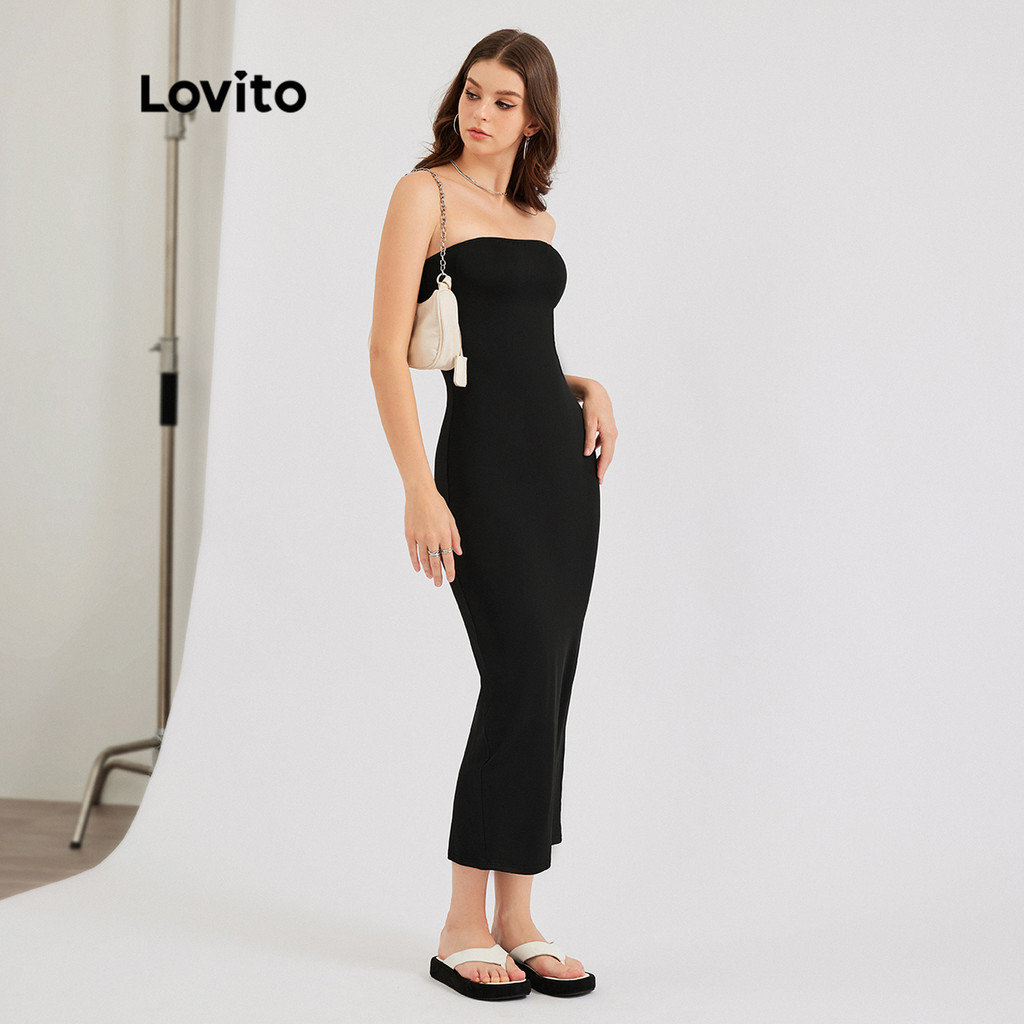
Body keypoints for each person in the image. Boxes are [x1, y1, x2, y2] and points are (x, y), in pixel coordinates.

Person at [368, 28, 617, 1001]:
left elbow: (518, 351)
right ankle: (460, 923)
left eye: (503, 101)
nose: (480, 111)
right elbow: (386, 352)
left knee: (547, 684)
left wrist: (584, 385)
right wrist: (416, 486)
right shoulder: (423, 194)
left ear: (534, 120)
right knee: (514, 678)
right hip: (476, 471)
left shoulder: (534, 220)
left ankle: (518, 917)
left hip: (561, 474)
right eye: (473, 92)